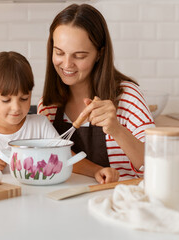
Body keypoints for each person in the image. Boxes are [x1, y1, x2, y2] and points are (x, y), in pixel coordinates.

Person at [38, 4, 155, 184]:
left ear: (99, 54)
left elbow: (156, 164)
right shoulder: (48, 107)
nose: (67, 64)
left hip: (116, 204)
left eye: (79, 56)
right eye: (59, 52)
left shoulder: (127, 97)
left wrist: (116, 129)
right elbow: (53, 158)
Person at [0, 51, 59, 174]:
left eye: (24, 98)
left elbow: (62, 156)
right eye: (6, 100)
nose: (16, 107)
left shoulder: (40, 125)